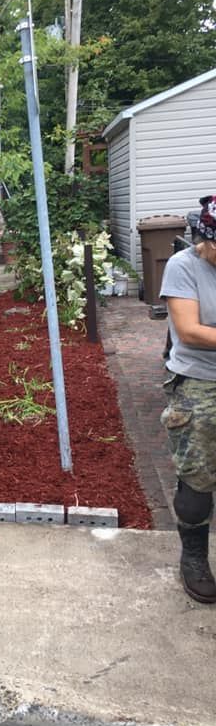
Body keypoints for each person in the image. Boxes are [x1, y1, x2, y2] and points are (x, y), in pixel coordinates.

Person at [160, 195, 216, 604]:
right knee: (197, 477)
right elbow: (190, 331)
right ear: (206, 240)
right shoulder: (183, 267)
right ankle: (194, 557)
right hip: (199, 380)